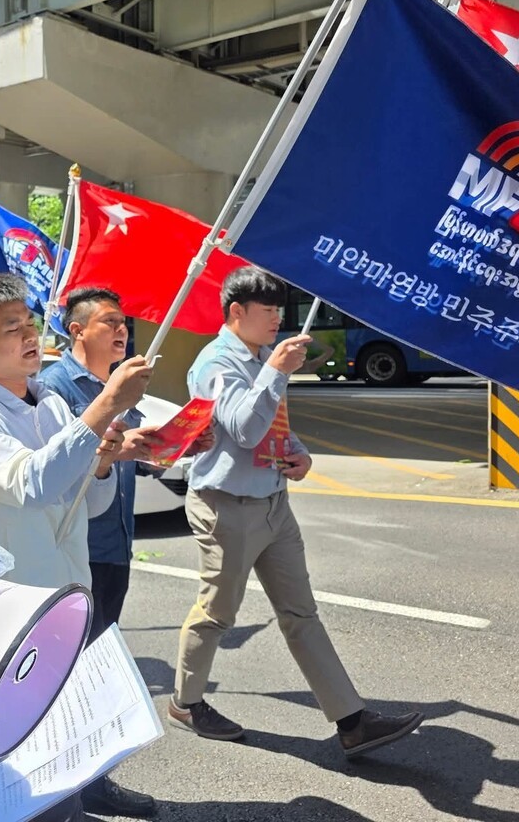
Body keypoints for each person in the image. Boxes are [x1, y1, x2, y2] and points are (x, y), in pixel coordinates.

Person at [169, 267, 423, 758]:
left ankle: (352, 722)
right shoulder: (215, 363)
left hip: (273, 502)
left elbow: (274, 424)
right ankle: (185, 702)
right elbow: (243, 428)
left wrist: (300, 454)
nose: (278, 320)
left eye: (280, 311)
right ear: (236, 313)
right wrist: (275, 371)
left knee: (301, 613)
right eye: (269, 311)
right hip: (228, 507)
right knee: (217, 613)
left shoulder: (263, 357)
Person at [0, 275, 152, 822]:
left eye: (30, 324)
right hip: (4, 610)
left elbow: (89, 503)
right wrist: (103, 407)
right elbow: (30, 484)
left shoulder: (51, 403)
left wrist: (102, 462)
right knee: (3, 758)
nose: (31, 336)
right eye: (14, 329)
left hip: (62, 600)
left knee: (58, 749)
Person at [39, 287, 215, 819]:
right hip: (74, 548)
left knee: (95, 665)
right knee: (67, 672)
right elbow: (63, 465)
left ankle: (90, 780)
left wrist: (169, 447)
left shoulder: (125, 384)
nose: (122, 331)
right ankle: (65, 787)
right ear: (77, 330)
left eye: (124, 324)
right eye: (110, 322)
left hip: (114, 541)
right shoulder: (55, 387)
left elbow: (122, 458)